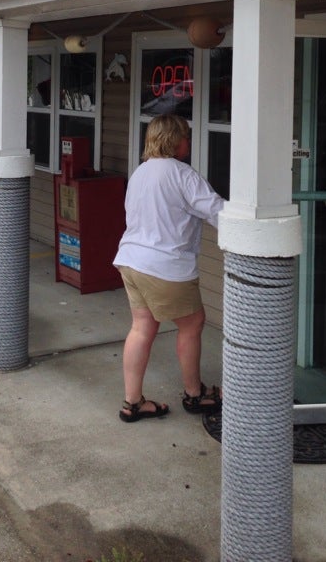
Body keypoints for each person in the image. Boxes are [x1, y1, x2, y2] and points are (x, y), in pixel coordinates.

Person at [113, 113, 224, 423]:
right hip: (165, 266)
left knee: (142, 327)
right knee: (192, 324)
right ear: (177, 140)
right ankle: (194, 394)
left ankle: (132, 402)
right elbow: (216, 210)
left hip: (131, 261)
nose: (189, 141)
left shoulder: (141, 173)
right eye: (186, 135)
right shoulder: (182, 174)